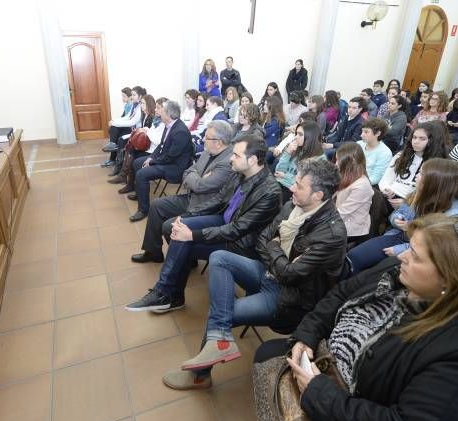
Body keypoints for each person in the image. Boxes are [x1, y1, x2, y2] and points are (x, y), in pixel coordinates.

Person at [255, 214, 458, 421]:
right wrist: (308, 333)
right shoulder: (398, 273)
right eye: (409, 247)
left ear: (451, 279)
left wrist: (319, 394)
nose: (403, 256)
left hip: (368, 419)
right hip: (335, 376)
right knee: (267, 353)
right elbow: (341, 293)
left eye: (416, 256)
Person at [164, 158, 347, 390]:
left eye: (299, 185)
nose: (292, 187)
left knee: (222, 310)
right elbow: (263, 239)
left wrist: (274, 247)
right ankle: (219, 337)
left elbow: (289, 275)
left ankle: (200, 375)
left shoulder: (331, 234)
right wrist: (276, 248)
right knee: (219, 257)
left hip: (288, 298)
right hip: (269, 273)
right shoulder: (294, 206)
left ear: (319, 195)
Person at [125, 135, 281, 313]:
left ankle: (165, 293)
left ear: (252, 160)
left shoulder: (270, 192)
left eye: (236, 155)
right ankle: (172, 292)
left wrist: (192, 235)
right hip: (224, 222)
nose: (231, 157)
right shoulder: (241, 173)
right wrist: (186, 215)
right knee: (175, 227)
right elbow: (219, 200)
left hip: (239, 243)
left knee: (184, 238)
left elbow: (237, 230)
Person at [131, 121, 236, 264]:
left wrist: (195, 177)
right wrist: (196, 176)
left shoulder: (228, 162)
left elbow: (200, 186)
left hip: (205, 206)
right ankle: (153, 252)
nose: (203, 139)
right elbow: (188, 172)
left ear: (219, 142)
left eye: (207, 137)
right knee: (156, 206)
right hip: (192, 197)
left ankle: (187, 258)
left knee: (169, 226)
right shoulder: (209, 150)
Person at [348, 159, 458, 274]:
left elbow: (437, 249)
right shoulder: (420, 192)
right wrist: (397, 220)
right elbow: (397, 214)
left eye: (421, 174)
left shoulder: (456, 214)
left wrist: (400, 249)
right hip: (400, 236)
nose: (417, 176)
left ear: (435, 181)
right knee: (353, 258)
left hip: (418, 251)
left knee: (373, 273)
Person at [127, 101, 193, 222]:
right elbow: (161, 146)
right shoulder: (169, 125)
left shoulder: (180, 131)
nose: (159, 112)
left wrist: (152, 162)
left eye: (162, 110)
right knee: (137, 162)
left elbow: (170, 157)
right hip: (167, 161)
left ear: (168, 114)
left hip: (176, 168)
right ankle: (140, 194)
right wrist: (151, 157)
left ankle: (143, 210)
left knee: (142, 174)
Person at [379, 123, 446, 206]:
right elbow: (386, 179)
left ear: (432, 141)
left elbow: (432, 194)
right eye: (414, 137)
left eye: (422, 139)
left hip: (411, 202)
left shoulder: (437, 164)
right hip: (390, 194)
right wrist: (386, 189)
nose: (416, 142)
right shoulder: (401, 155)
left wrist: (409, 202)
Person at [110, 94, 157, 186]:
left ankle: (124, 176)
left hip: (149, 145)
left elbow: (148, 134)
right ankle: (123, 175)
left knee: (131, 148)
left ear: (149, 104)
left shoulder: (152, 117)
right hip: (143, 140)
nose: (141, 105)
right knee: (128, 145)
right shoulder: (144, 115)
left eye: (143, 103)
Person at [275, 121, 324, 201]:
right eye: (296, 134)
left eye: (300, 134)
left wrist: (285, 176)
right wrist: (287, 152)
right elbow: (278, 171)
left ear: (311, 137)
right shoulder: (297, 148)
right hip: (281, 183)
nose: (296, 137)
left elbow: (305, 184)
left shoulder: (319, 159)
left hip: (294, 191)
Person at [335, 142, 374, 242]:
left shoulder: (362, 186)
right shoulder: (345, 175)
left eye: (338, 160)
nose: (336, 163)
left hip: (350, 229)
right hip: (340, 218)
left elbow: (342, 213)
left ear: (348, 163)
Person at [102, 85, 145, 167]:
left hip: (135, 131)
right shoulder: (134, 105)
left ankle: (117, 162)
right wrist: (114, 121)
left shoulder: (139, 107)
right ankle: (113, 145)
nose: (132, 97)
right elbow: (127, 117)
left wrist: (115, 123)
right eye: (132, 95)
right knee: (114, 128)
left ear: (140, 96)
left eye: (134, 95)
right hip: (131, 129)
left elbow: (132, 122)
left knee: (118, 135)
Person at [357, 117, 392, 185]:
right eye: (362, 131)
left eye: (366, 132)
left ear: (378, 134)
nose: (361, 135)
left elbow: (375, 179)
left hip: (367, 186)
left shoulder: (385, 153)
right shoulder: (359, 144)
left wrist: (354, 183)